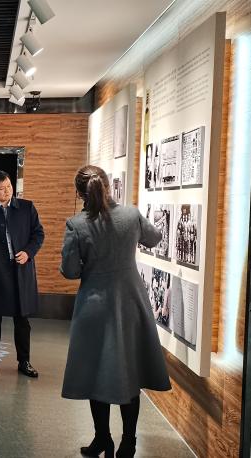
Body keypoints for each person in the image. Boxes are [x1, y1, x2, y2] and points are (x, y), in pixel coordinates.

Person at [60, 166, 171, 458]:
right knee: (129, 371)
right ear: (108, 186)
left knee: (96, 372)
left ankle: (102, 439)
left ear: (79, 193)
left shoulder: (76, 224)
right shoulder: (131, 215)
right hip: (131, 301)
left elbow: (70, 271)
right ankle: (129, 443)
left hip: (94, 305)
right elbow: (155, 238)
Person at [0, 170, 44, 379]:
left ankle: (24, 361)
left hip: (21, 270)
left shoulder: (26, 207)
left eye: (9, 187)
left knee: (22, 319)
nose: (7, 191)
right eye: (1, 188)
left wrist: (28, 252)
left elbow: (38, 234)